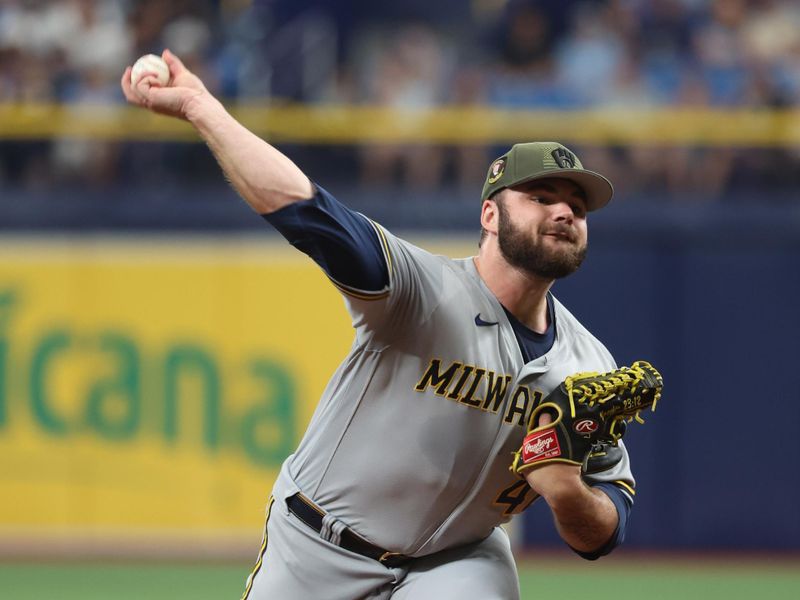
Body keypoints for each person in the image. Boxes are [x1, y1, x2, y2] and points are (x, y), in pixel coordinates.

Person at [122, 50, 635, 600]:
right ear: (490, 215)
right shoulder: (421, 289)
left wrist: (565, 490)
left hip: (456, 561)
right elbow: (305, 210)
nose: (564, 213)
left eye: (577, 209)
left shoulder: (588, 367)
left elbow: (603, 533)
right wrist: (202, 107)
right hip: (318, 547)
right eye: (541, 198)